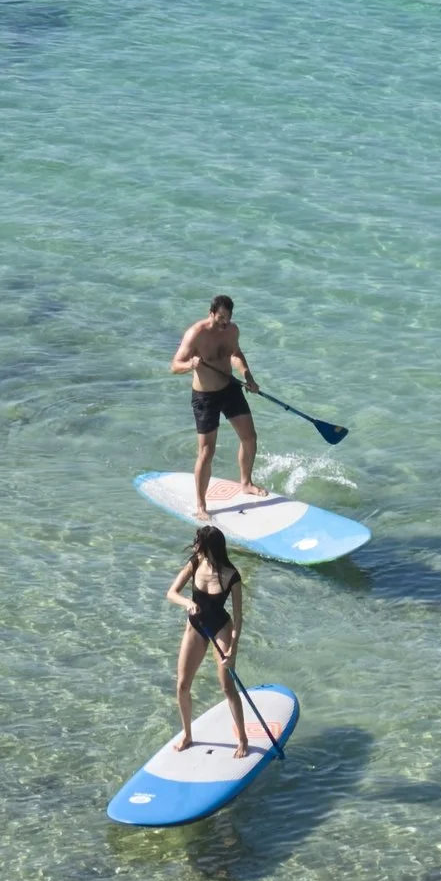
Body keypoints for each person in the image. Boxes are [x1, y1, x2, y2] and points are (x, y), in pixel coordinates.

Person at [171, 293, 259, 515]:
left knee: (249, 438)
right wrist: (190, 364)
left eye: (228, 318)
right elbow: (175, 365)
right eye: (220, 317)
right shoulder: (196, 334)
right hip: (205, 398)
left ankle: (246, 483)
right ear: (211, 313)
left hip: (230, 388)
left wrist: (248, 376)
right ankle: (201, 505)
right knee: (206, 453)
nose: (224, 322)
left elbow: (235, 353)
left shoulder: (231, 330)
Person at [167, 525, 251, 754]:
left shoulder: (231, 576)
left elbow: (239, 617)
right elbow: (172, 592)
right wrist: (188, 603)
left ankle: (242, 739)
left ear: (208, 547)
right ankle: (187, 734)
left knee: (227, 686)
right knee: (182, 685)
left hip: (220, 628)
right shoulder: (195, 563)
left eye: (198, 542)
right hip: (195, 627)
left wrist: (232, 650)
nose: (195, 546)